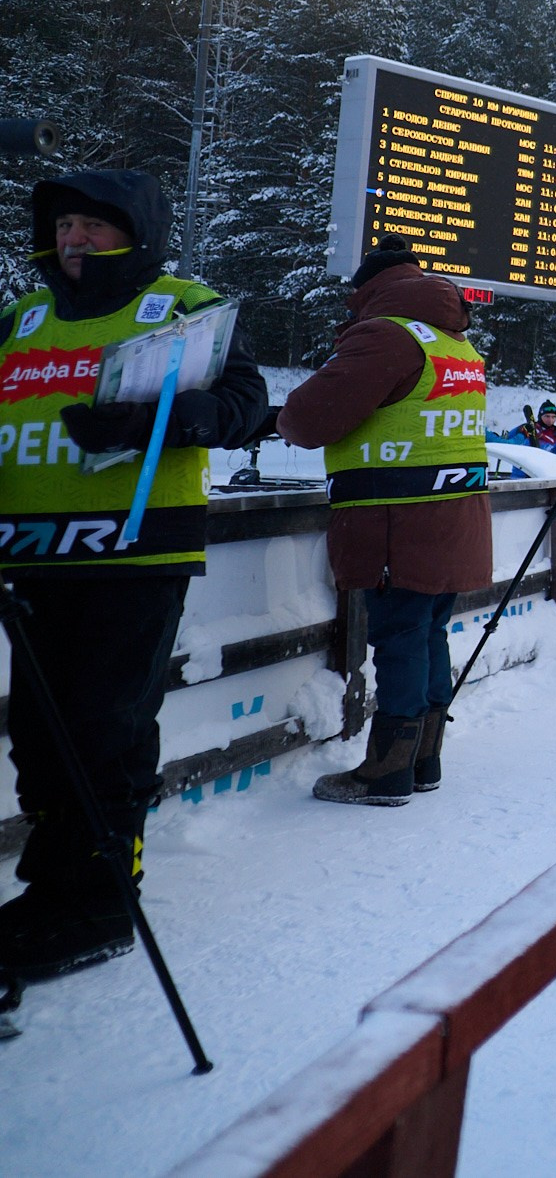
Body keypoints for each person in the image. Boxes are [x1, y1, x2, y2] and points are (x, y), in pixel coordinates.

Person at [0, 170, 269, 979]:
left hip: (135, 550)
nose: (76, 239)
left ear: (136, 233)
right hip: (32, 552)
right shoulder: (23, 314)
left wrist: (168, 416)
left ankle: (101, 896)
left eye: (95, 226)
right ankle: (54, 883)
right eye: (68, 224)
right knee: (40, 733)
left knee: (105, 724)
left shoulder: (184, 304)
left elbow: (245, 400)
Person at [277, 238, 493, 807]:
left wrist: (276, 418)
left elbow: (307, 418)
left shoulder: (386, 335)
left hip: (400, 521)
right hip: (455, 516)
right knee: (428, 635)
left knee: (398, 639)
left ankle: (386, 771)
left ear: (366, 290)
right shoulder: (456, 341)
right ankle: (424, 761)